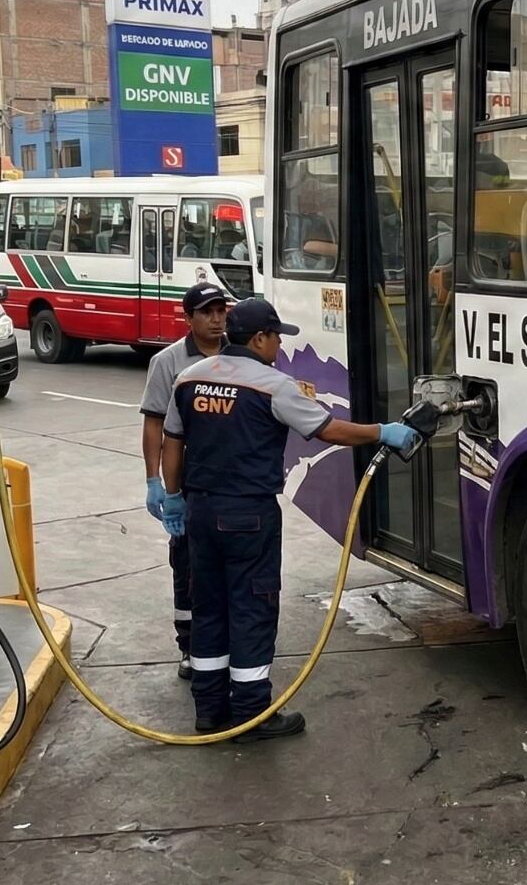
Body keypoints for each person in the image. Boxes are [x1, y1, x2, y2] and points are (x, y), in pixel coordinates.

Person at [159, 297, 422, 742]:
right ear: (259, 338)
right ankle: (250, 715)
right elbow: (328, 429)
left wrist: (172, 497)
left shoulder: (190, 378)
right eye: (277, 337)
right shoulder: (272, 384)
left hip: (199, 511)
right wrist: (383, 432)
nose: (280, 346)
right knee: (250, 609)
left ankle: (209, 710)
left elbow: (172, 441)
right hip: (248, 514)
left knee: (209, 608)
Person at [140, 282, 231, 681]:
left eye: (221, 311)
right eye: (207, 312)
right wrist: (155, 482)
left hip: (232, 481)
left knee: (231, 565)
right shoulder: (168, 362)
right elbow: (154, 424)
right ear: (188, 317)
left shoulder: (239, 355)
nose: (216, 319)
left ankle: (225, 644)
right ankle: (190, 646)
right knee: (188, 565)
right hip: (190, 483)